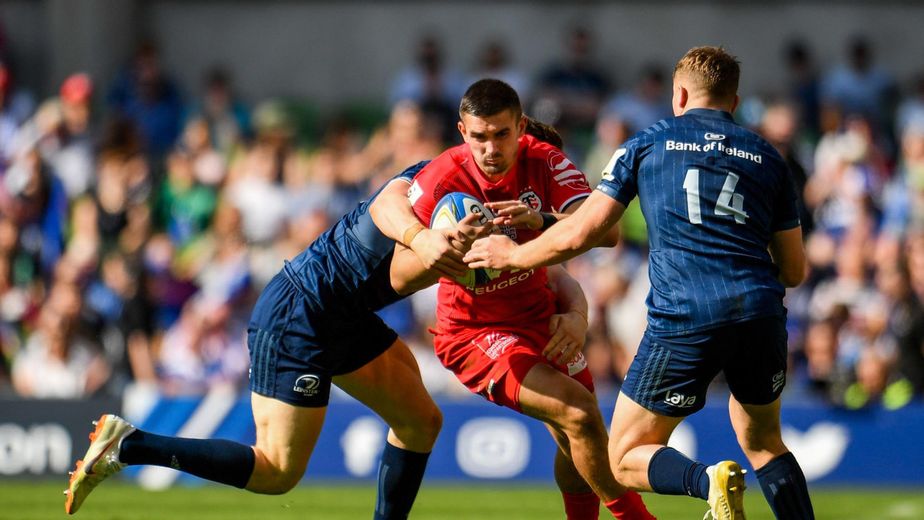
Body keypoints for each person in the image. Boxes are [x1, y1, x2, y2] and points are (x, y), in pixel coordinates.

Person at [64, 123, 587, 519]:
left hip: (342, 313)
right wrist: (455, 252)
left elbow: (551, 267)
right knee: (276, 473)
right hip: (300, 314)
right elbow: (411, 259)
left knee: (420, 421)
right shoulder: (452, 203)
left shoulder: (463, 193)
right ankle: (129, 445)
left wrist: (574, 307)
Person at [465, 47, 816, 520]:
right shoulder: (769, 158)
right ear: (733, 103)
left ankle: (705, 480)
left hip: (685, 314)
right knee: (764, 442)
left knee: (625, 455)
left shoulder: (649, 142)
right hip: (760, 309)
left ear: (680, 95)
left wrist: (514, 254)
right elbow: (794, 271)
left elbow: (586, 229)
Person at [371, 79, 653, 520]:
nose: (490, 149)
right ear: (463, 132)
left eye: (501, 134)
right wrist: (439, 246)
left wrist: (543, 223)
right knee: (579, 415)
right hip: (475, 335)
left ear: (520, 127)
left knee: (577, 437)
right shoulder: (442, 178)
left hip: (541, 321)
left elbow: (605, 232)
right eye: (479, 137)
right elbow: (398, 276)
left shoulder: (546, 161)